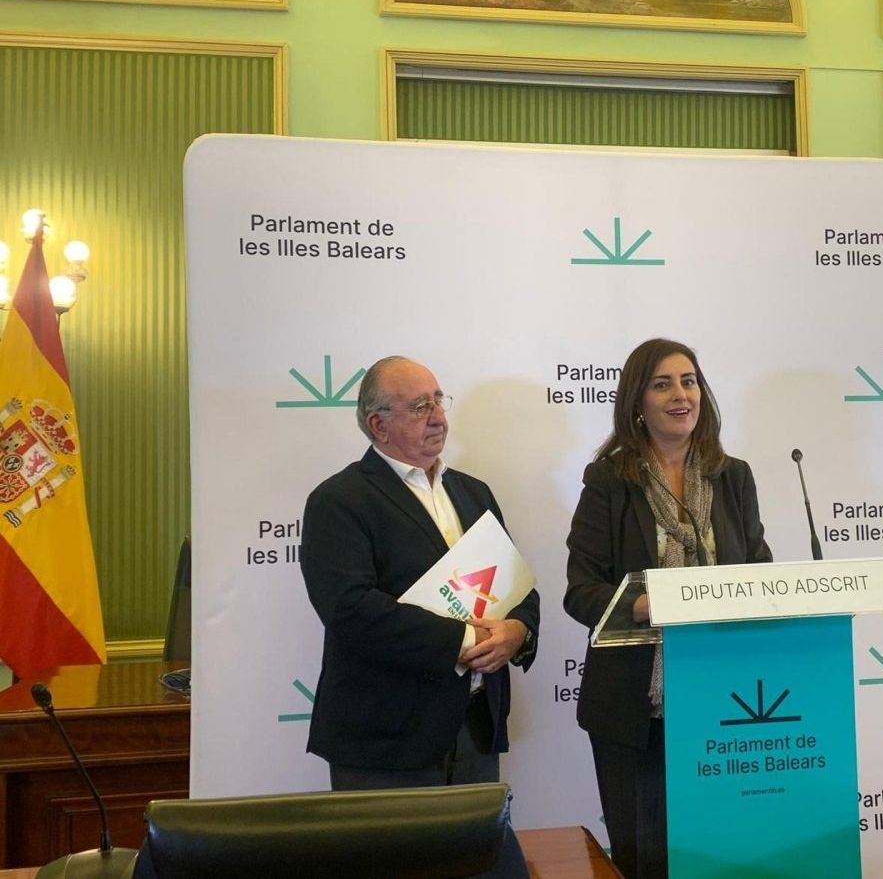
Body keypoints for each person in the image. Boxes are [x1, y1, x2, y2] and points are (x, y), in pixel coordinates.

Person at [563, 338, 772, 879]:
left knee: (725, 853)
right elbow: (580, 590)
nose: (681, 395)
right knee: (647, 858)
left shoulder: (733, 476)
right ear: (638, 402)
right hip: (635, 707)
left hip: (727, 701)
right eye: (662, 385)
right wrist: (644, 605)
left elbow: (759, 571)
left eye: (689, 381)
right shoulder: (609, 481)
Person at [300, 355, 539, 796]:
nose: (438, 417)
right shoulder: (338, 500)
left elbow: (517, 585)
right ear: (379, 425)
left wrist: (516, 631)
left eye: (438, 401)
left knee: (475, 845)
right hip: (385, 739)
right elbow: (350, 610)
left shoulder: (474, 492)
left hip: (474, 729)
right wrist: (466, 640)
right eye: (418, 407)